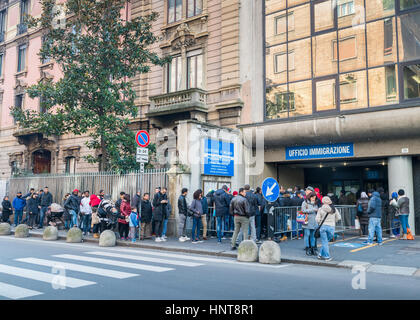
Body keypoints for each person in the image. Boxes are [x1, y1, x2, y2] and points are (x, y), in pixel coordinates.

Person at [316, 196, 341, 261]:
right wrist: (334, 221)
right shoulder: (334, 209)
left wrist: (319, 223)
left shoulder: (320, 209)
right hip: (331, 227)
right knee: (326, 242)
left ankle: (322, 255)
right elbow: (339, 218)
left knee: (325, 242)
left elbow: (317, 219)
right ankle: (325, 256)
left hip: (323, 226)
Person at [302, 191, 319, 256]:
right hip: (307, 221)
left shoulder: (315, 203)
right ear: (309, 197)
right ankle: (307, 248)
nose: (314, 199)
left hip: (314, 222)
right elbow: (303, 210)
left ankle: (313, 248)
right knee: (307, 235)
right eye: (312, 197)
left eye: (315, 197)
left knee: (313, 236)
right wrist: (313, 210)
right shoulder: (305, 203)